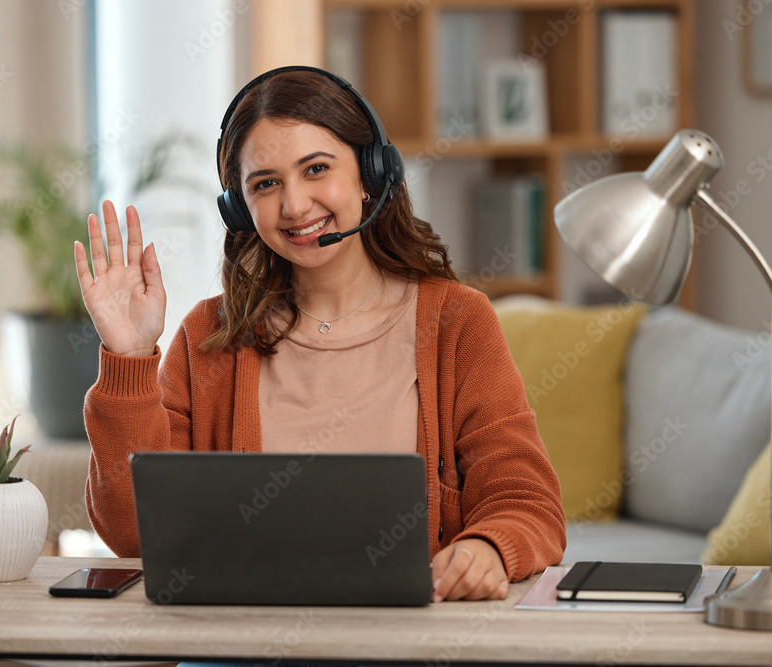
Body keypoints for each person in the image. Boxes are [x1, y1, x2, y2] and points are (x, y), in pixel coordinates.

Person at [75, 67, 566, 612]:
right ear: (239, 208)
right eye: (265, 183)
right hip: (242, 645)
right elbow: (134, 534)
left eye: (316, 169)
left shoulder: (457, 322)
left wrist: (488, 548)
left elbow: (527, 502)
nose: (295, 205)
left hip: (410, 644)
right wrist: (129, 355)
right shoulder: (208, 338)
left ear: (370, 175)